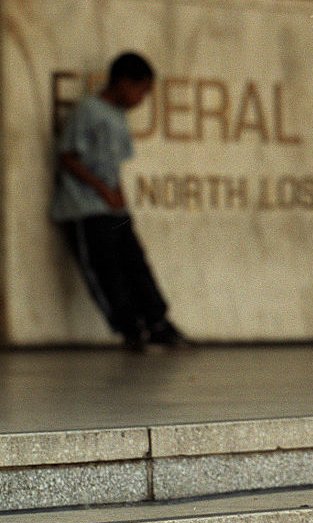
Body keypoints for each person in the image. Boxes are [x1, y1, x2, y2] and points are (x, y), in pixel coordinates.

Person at [51, 52, 187, 352]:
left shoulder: (118, 117)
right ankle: (131, 328)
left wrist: (119, 193)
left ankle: (157, 322)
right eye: (141, 90)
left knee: (135, 263)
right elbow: (67, 156)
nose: (141, 98)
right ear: (124, 82)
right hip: (85, 208)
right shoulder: (88, 110)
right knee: (105, 270)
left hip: (114, 208)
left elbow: (113, 164)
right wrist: (102, 189)